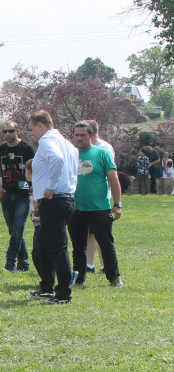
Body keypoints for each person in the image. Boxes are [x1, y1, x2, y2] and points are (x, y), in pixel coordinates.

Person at [28, 110, 79, 304]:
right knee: (43, 244)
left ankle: (63, 293)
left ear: (41, 125)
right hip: (64, 199)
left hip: (55, 200)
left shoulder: (47, 141)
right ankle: (47, 286)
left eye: (32, 129)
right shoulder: (68, 143)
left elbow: (57, 160)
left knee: (57, 248)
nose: (32, 133)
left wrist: (49, 187)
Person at [70, 121, 124, 288]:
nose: (79, 138)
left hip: (99, 208)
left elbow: (113, 179)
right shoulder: (71, 154)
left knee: (106, 244)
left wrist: (117, 203)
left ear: (91, 135)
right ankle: (78, 278)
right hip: (76, 208)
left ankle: (114, 277)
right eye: (76, 135)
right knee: (78, 247)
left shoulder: (101, 153)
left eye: (83, 135)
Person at [0, 120, 36, 272]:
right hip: (7, 194)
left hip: (23, 194)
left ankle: (10, 263)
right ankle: (23, 263)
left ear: (18, 131)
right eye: (5, 132)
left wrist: (34, 189)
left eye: (10, 131)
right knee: (13, 230)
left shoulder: (27, 148)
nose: (8, 134)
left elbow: (36, 170)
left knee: (18, 228)